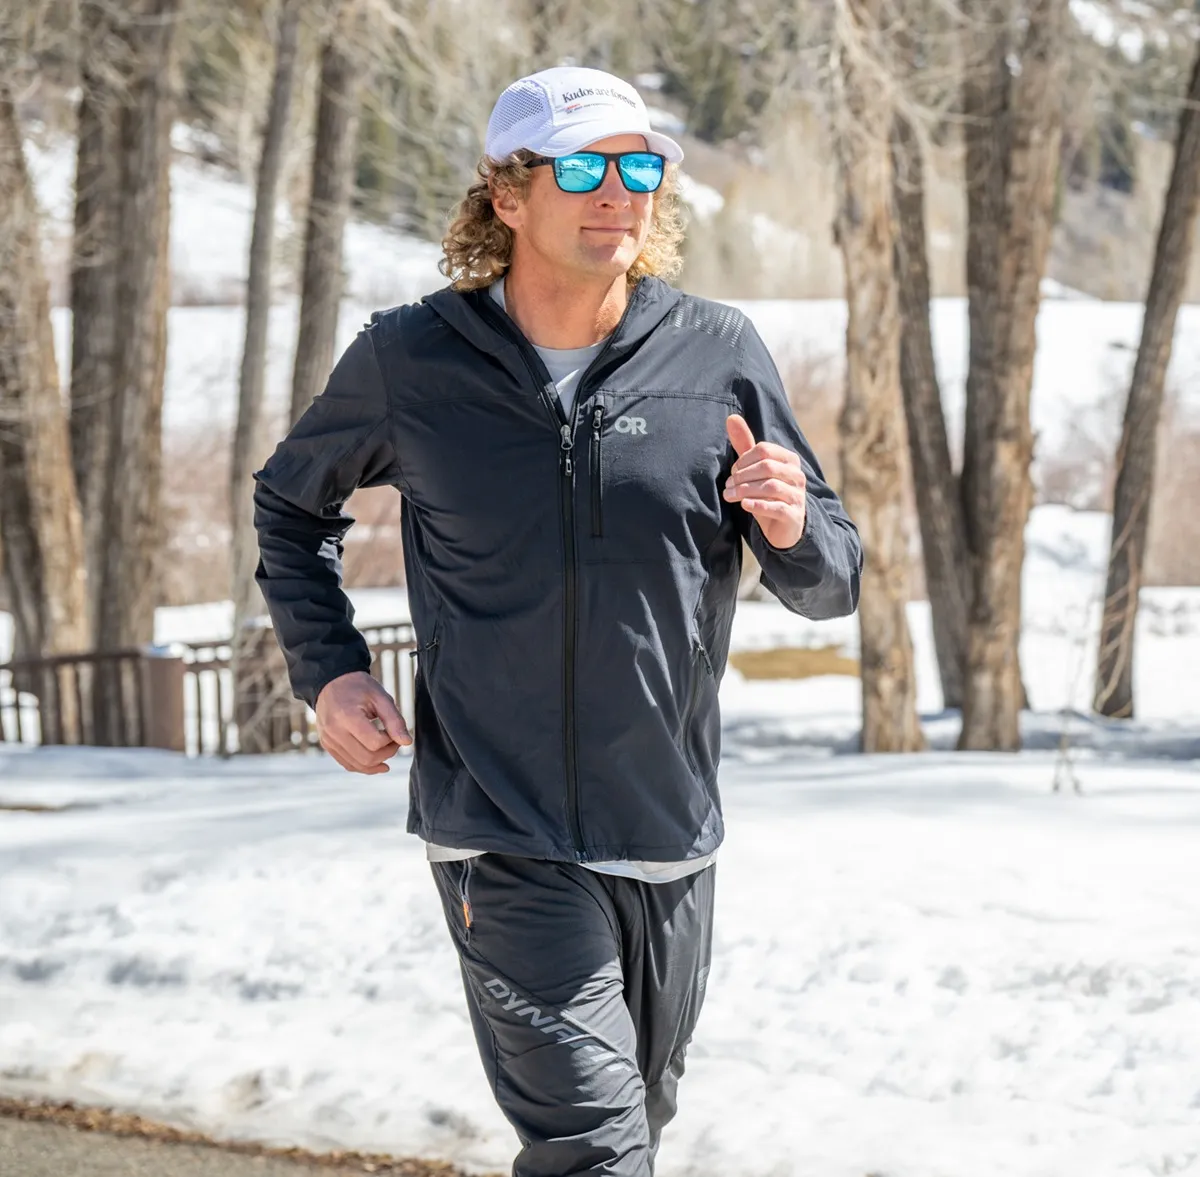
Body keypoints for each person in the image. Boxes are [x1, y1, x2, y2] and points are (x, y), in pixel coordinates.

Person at [254, 64, 862, 1177]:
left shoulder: (716, 353)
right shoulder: (410, 360)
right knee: (595, 1147)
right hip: (500, 826)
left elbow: (832, 582)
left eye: (640, 168)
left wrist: (791, 526)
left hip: (668, 827)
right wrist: (329, 669)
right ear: (508, 193)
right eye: (583, 169)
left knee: (637, 1125)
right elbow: (291, 508)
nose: (618, 193)